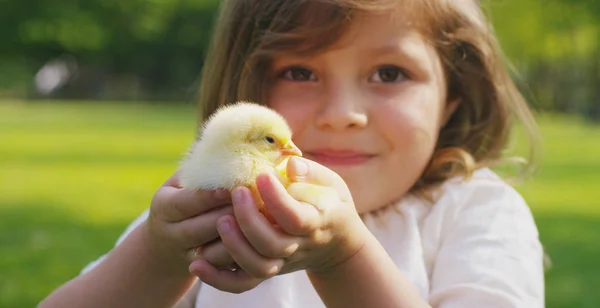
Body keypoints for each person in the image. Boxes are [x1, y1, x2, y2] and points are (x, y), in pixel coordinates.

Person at [39, 0, 546, 307]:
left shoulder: (477, 214)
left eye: (389, 74)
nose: (341, 114)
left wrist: (344, 257)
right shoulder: (214, 204)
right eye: (300, 73)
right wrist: (158, 256)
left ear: (451, 97)